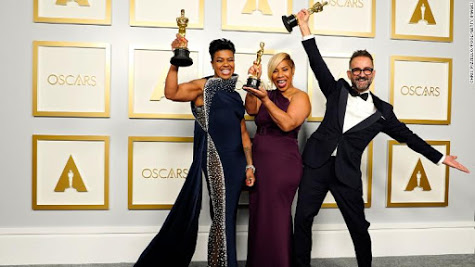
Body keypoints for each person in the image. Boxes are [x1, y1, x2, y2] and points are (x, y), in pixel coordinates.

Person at [293, 9, 470, 267]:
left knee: (358, 227)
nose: (361, 74)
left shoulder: (383, 112)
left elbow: (408, 136)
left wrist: (441, 157)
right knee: (302, 220)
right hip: (317, 164)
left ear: (373, 73)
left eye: (367, 70)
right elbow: (316, 62)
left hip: (347, 172)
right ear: (350, 72)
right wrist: (304, 27)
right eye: (357, 70)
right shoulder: (336, 90)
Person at [134, 35, 256, 267]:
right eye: (220, 60)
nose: (226, 65)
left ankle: (218, 263)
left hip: (238, 163)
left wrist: (249, 165)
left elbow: (243, 135)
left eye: (229, 60)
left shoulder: (235, 94)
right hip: (215, 160)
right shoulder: (204, 86)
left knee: (225, 217)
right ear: (212, 63)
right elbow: (171, 93)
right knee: (223, 218)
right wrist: (175, 61)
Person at [243, 52, 311, 267]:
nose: (280, 74)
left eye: (284, 69)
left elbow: (287, 124)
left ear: (292, 71)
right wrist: (252, 85)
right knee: (260, 216)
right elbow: (251, 109)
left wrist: (265, 99)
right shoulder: (268, 94)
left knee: (277, 218)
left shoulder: (300, 97)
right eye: (275, 70)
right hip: (261, 163)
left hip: (283, 164)